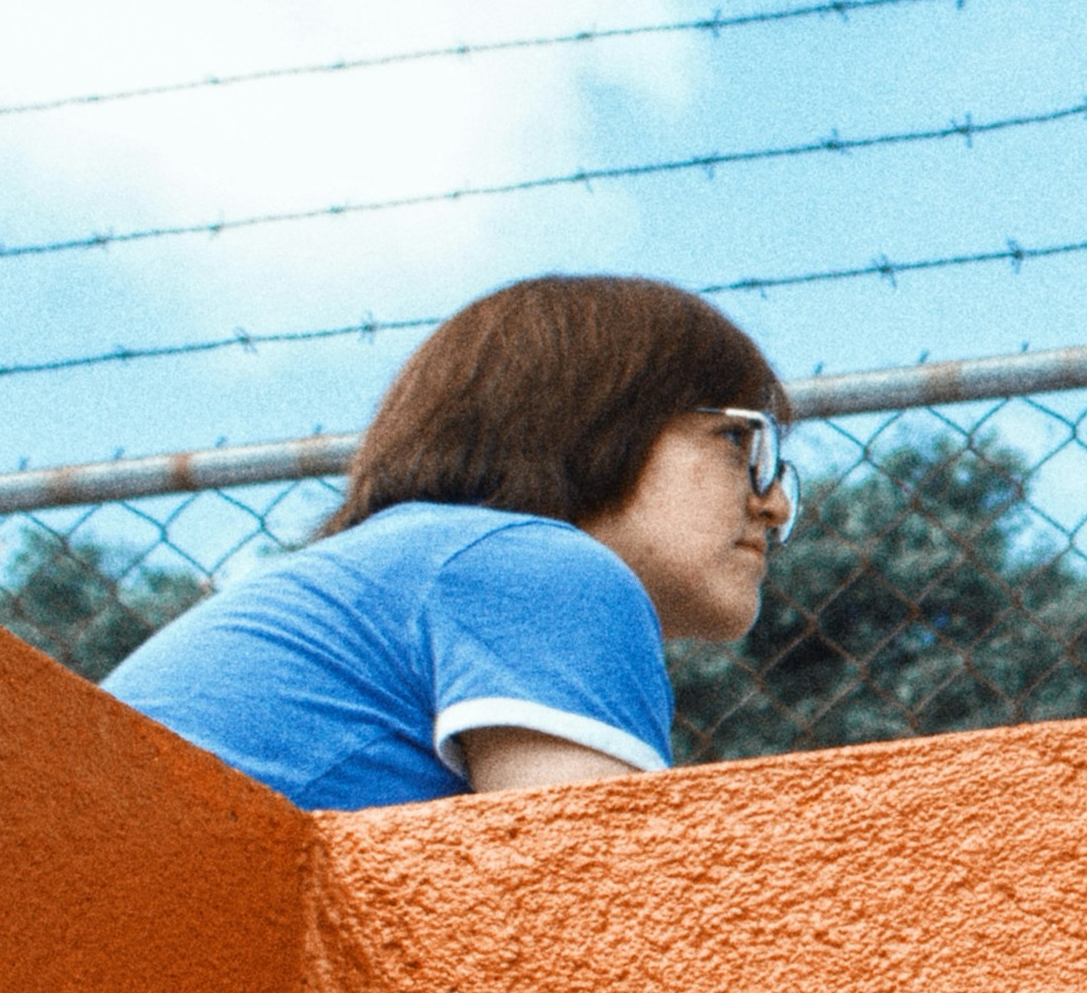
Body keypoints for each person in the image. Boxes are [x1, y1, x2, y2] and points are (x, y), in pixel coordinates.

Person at [107, 273, 795, 809]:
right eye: (741, 441)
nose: (775, 503)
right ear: (593, 422)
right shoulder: (541, 568)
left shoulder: (404, 574)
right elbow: (592, 917)